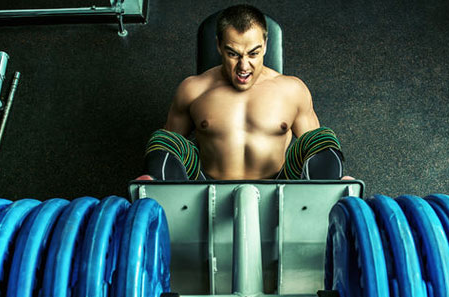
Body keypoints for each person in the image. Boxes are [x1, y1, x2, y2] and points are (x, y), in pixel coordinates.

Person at [143, 4, 345, 181]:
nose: (243, 66)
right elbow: (169, 148)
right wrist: (155, 177)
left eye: (253, 54)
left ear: (265, 46)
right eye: (233, 54)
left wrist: (333, 177)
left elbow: (316, 151)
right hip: (207, 188)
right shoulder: (194, 89)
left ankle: (334, 190)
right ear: (219, 47)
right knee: (164, 140)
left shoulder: (292, 90)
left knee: (320, 139)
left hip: (278, 186)